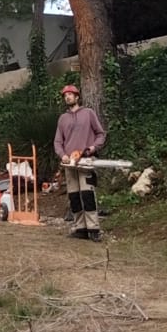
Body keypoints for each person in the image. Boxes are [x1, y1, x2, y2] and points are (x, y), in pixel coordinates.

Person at [53, 81, 105, 241]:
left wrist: (92, 148)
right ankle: (80, 227)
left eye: (70, 94)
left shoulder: (88, 113)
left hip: (86, 161)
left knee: (87, 194)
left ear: (77, 96)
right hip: (69, 163)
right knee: (74, 196)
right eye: (65, 95)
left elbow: (101, 134)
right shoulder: (62, 119)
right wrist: (63, 155)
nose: (67, 97)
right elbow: (57, 142)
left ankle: (93, 228)